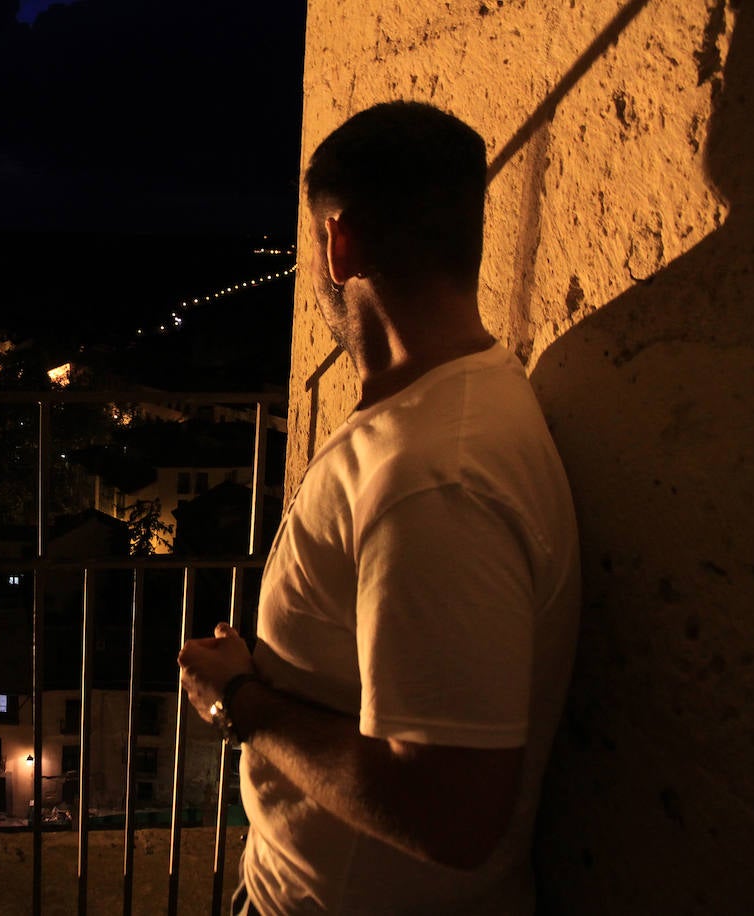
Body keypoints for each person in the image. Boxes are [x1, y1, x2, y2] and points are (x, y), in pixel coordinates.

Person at [178, 102, 580, 914]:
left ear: (338, 242)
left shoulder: (437, 476)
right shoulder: (443, 416)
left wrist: (241, 700)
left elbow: (452, 815)